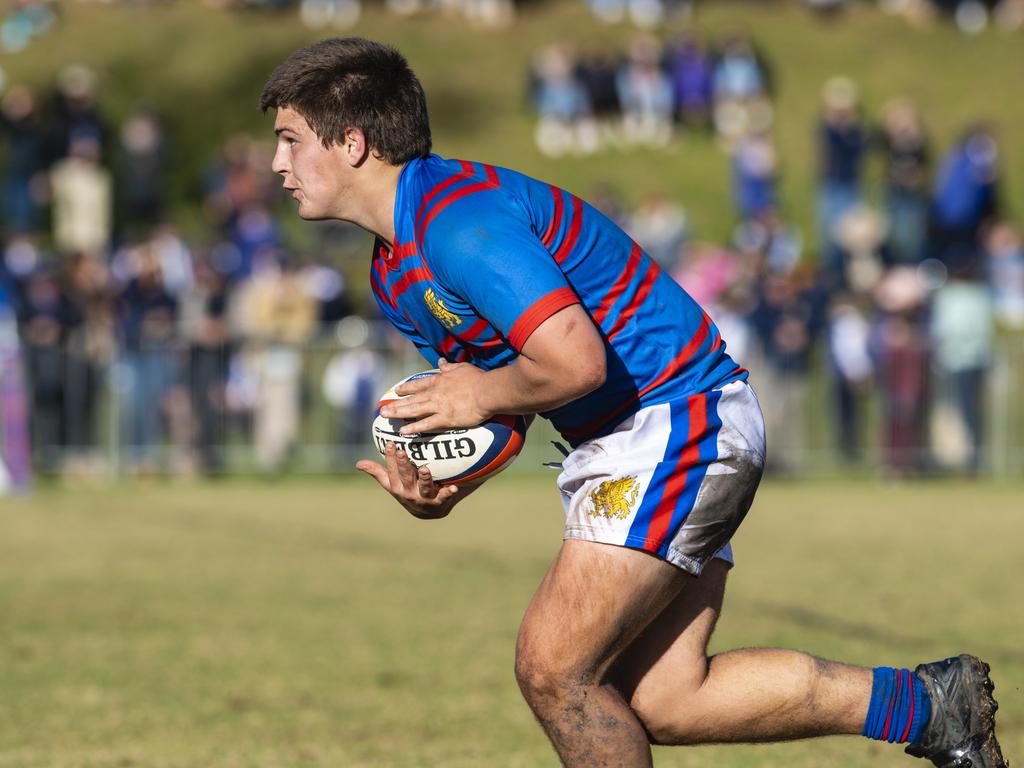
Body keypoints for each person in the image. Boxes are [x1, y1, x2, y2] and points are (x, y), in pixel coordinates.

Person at [261, 38, 1006, 768]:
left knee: (553, 670)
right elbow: (514, 398)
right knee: (666, 698)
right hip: (652, 432)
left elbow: (574, 363)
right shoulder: (396, 270)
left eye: (291, 140)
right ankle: (931, 707)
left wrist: (476, 391)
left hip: (676, 419)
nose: (277, 164)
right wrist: (448, 484)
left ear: (353, 143)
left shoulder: (458, 222)